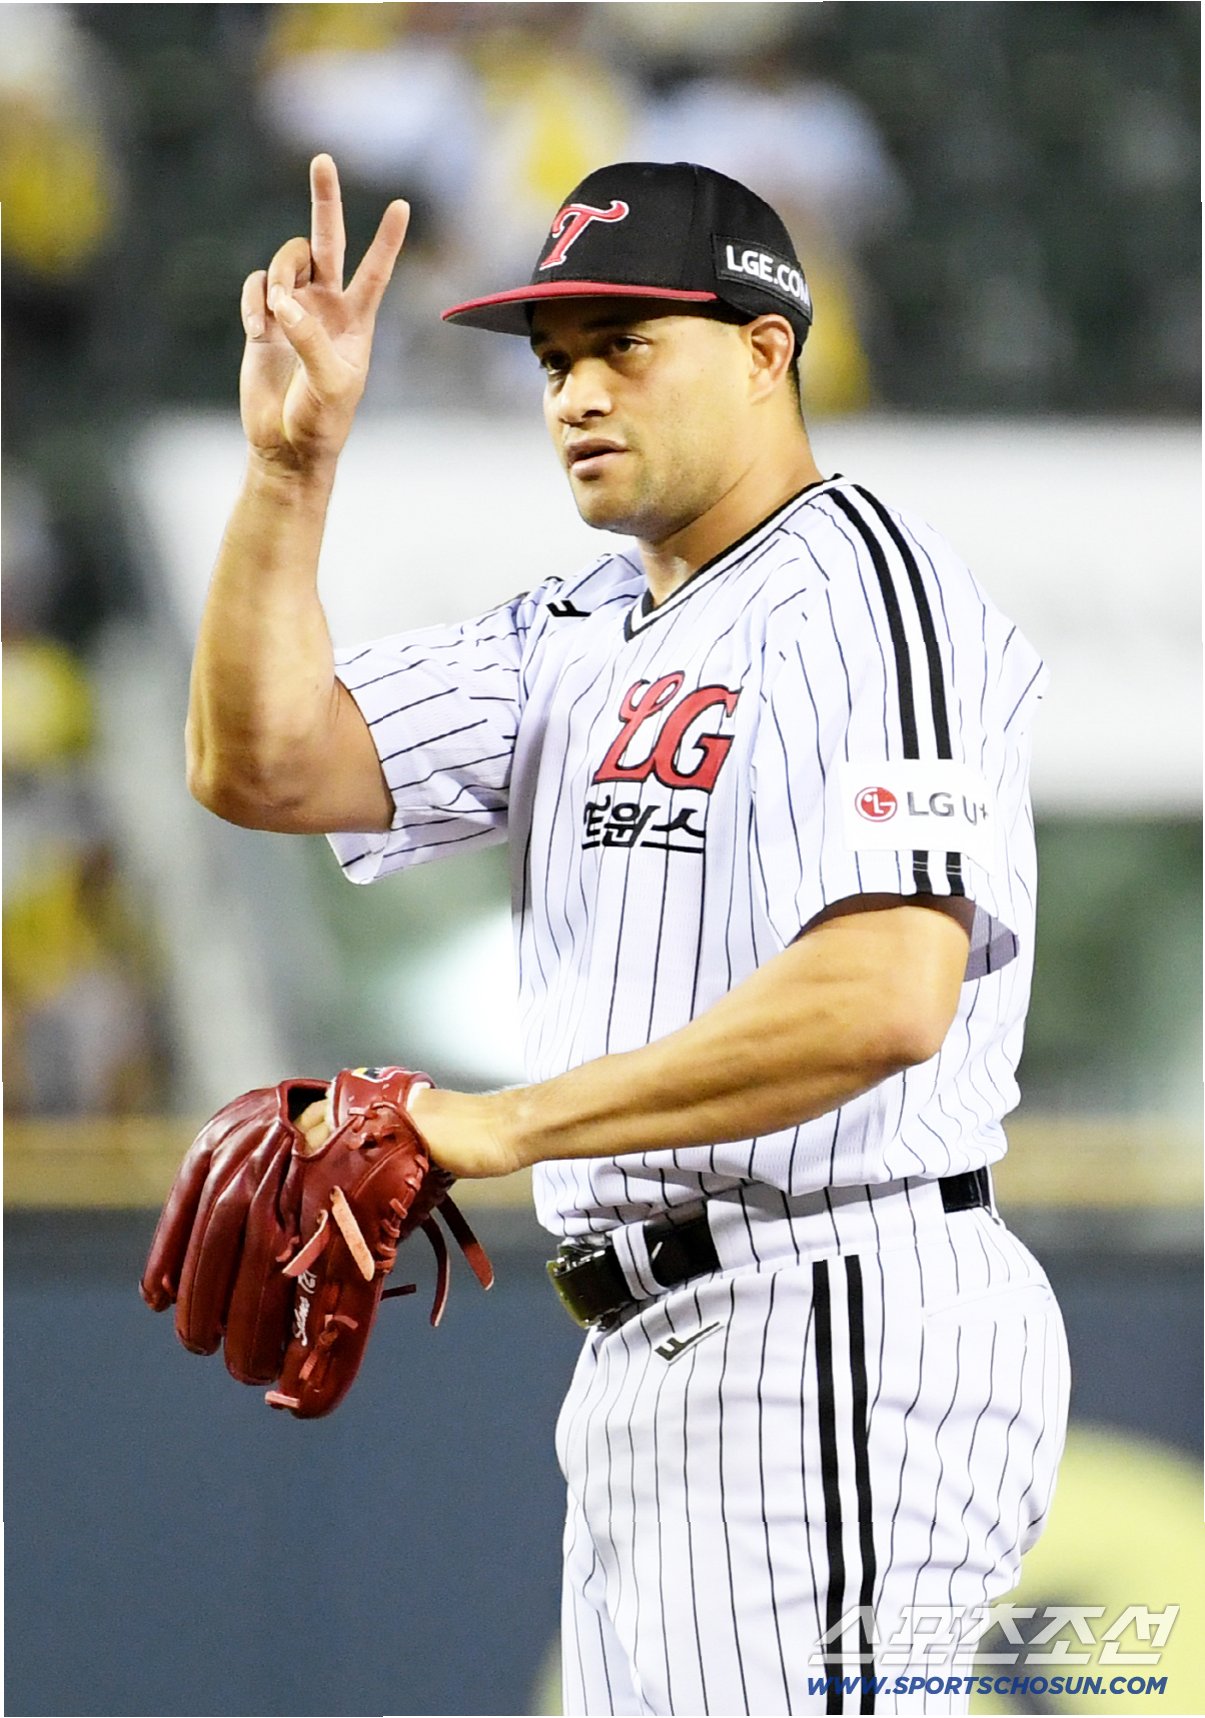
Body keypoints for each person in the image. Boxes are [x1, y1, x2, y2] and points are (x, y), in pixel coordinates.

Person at [189, 153, 1069, 1717]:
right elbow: (259, 762)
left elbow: (883, 993)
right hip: (653, 1346)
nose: (577, 393)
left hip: (834, 1311)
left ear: (764, 348)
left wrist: (497, 1123)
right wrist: (290, 470)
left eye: (623, 345)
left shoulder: (864, 593)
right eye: (552, 362)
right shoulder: (581, 627)